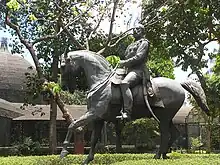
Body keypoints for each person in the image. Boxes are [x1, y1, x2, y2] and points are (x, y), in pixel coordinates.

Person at [117, 24, 153, 120]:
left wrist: (124, 63)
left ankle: (127, 112)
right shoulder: (131, 45)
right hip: (128, 70)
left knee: (124, 83)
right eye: (134, 29)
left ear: (142, 31)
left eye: (137, 29)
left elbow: (139, 57)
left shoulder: (144, 42)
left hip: (138, 70)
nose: (135, 31)